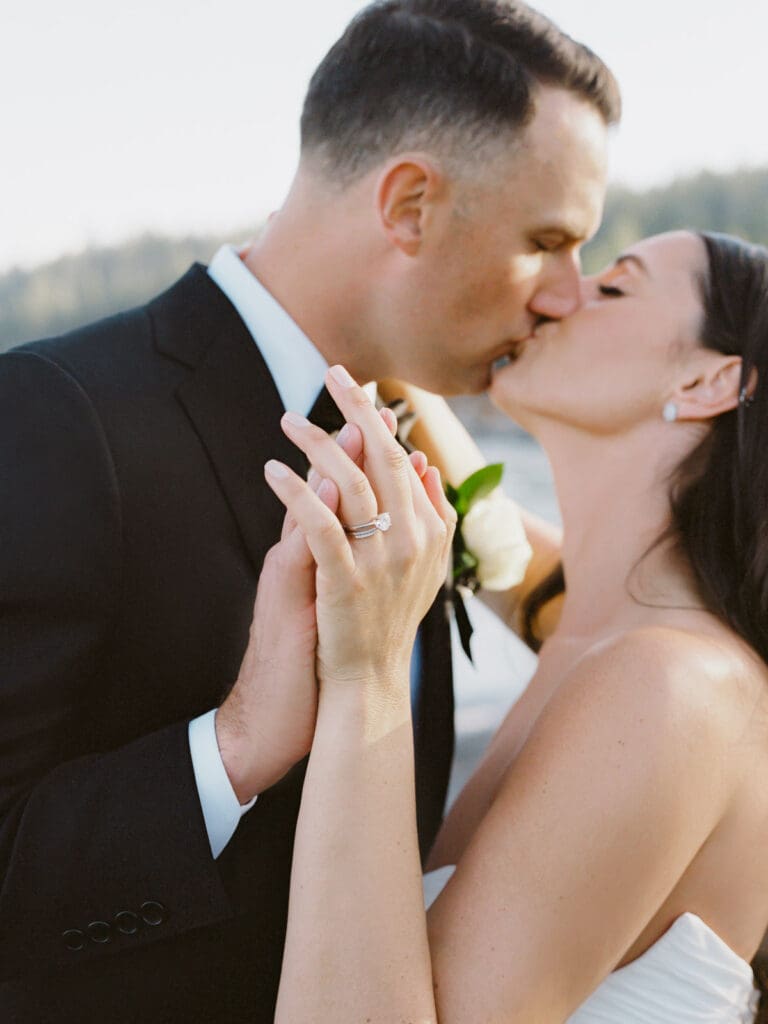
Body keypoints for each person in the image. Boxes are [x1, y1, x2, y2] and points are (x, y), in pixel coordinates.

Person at [0, 2, 620, 1021]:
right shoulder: (60, 417)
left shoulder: (413, 441)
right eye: (548, 241)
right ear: (412, 205)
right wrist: (230, 748)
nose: (568, 294)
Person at [260, 230, 768, 1022]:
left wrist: (369, 669)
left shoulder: (672, 686)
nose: (560, 294)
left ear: (710, 379)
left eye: (615, 286)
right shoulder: (587, 617)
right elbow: (476, 517)